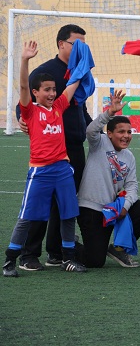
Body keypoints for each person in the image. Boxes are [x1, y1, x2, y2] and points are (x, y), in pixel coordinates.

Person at [3, 41, 87, 277]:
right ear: (35, 93)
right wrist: (24, 60)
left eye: (53, 89)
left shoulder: (59, 107)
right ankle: (10, 260)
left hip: (62, 169)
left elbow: (72, 85)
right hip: (40, 172)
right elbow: (22, 85)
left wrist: (81, 65)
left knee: (69, 214)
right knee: (27, 217)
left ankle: (68, 258)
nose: (51, 93)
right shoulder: (30, 110)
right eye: (46, 90)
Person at [77, 90, 140, 268]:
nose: (126, 136)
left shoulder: (129, 157)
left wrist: (125, 206)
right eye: (121, 132)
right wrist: (110, 112)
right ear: (109, 134)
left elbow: (132, 186)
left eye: (129, 132)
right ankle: (67, 245)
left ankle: (119, 250)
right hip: (91, 209)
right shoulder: (99, 143)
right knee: (94, 261)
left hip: (112, 211)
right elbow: (90, 130)